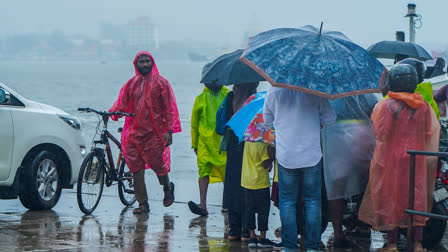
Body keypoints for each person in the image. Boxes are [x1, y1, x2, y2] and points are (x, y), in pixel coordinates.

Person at [358, 65, 440, 252]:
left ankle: (392, 243)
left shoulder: (387, 105)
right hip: (417, 159)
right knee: (416, 199)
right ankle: (418, 243)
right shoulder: (424, 106)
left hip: (391, 160)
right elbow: (429, 131)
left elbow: (381, 133)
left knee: (390, 199)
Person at [263, 87, 336, 252]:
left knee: (287, 202)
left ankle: (290, 247)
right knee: (313, 202)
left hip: (286, 156)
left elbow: (267, 121)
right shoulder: (315, 90)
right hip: (311, 155)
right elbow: (330, 119)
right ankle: (312, 247)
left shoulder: (273, 91)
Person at [109, 51, 182, 214]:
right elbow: (121, 103)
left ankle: (167, 186)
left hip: (154, 133)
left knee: (158, 165)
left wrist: (169, 131)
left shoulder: (162, 83)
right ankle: (143, 204)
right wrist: (111, 113)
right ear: (136, 64)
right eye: (141, 61)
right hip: (133, 133)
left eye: (147, 61)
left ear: (152, 63)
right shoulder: (130, 84)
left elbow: (170, 108)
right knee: (136, 169)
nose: (144, 64)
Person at [321, 94, 378, 248]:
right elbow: (374, 109)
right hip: (363, 134)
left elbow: (321, 114)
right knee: (366, 183)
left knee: (336, 186)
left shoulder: (328, 91)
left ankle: (338, 232)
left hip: (335, 136)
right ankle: (364, 225)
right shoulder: (363, 86)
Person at [215, 82, 259, 241]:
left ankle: (234, 229)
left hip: (233, 147)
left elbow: (222, 123)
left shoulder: (230, 97)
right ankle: (246, 230)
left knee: (232, 185)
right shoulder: (254, 99)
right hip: (249, 146)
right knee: (248, 186)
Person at [188, 83, 229, 216]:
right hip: (204, 142)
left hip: (222, 142)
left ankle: (226, 205)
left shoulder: (228, 95)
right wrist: (194, 144)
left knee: (226, 173)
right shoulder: (201, 97)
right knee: (203, 171)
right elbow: (194, 123)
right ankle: (203, 205)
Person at [241, 141, 276, 248]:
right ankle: (262, 237)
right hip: (260, 183)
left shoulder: (247, 142)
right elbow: (265, 164)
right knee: (263, 211)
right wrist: (271, 159)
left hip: (247, 181)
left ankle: (252, 237)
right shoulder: (262, 145)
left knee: (249, 210)